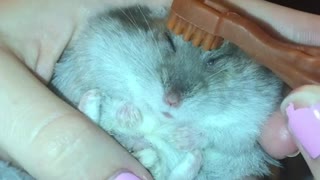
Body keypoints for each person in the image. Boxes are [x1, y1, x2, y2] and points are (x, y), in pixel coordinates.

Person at [0, 0, 319, 179]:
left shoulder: (254, 93)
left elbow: (246, 135)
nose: (173, 96)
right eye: (168, 44)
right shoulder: (115, 39)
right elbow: (101, 42)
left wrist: (208, 136)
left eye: (213, 64)